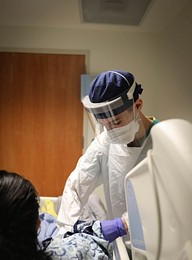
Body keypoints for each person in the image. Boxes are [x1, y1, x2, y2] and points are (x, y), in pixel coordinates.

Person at [57, 70, 159, 233]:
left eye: (116, 122)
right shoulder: (105, 142)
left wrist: (128, 224)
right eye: (104, 125)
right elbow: (76, 187)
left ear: (137, 106)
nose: (111, 131)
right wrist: (67, 230)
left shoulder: (164, 142)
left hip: (160, 244)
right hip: (121, 246)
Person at [0, 170, 129, 260]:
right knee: (91, 201)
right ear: (38, 223)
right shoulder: (67, 257)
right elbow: (86, 244)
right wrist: (119, 225)